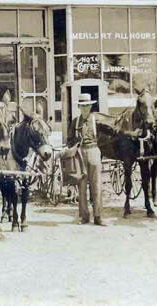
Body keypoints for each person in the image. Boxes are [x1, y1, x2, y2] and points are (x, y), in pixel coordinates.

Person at [66, 93, 106, 227]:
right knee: (81, 186)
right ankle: (84, 216)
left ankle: (98, 216)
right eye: (82, 106)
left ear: (90, 106)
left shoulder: (96, 121)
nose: (85, 109)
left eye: (87, 106)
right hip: (80, 154)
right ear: (79, 107)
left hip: (94, 151)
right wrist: (74, 146)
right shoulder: (75, 122)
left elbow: (110, 132)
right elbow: (69, 139)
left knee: (97, 186)